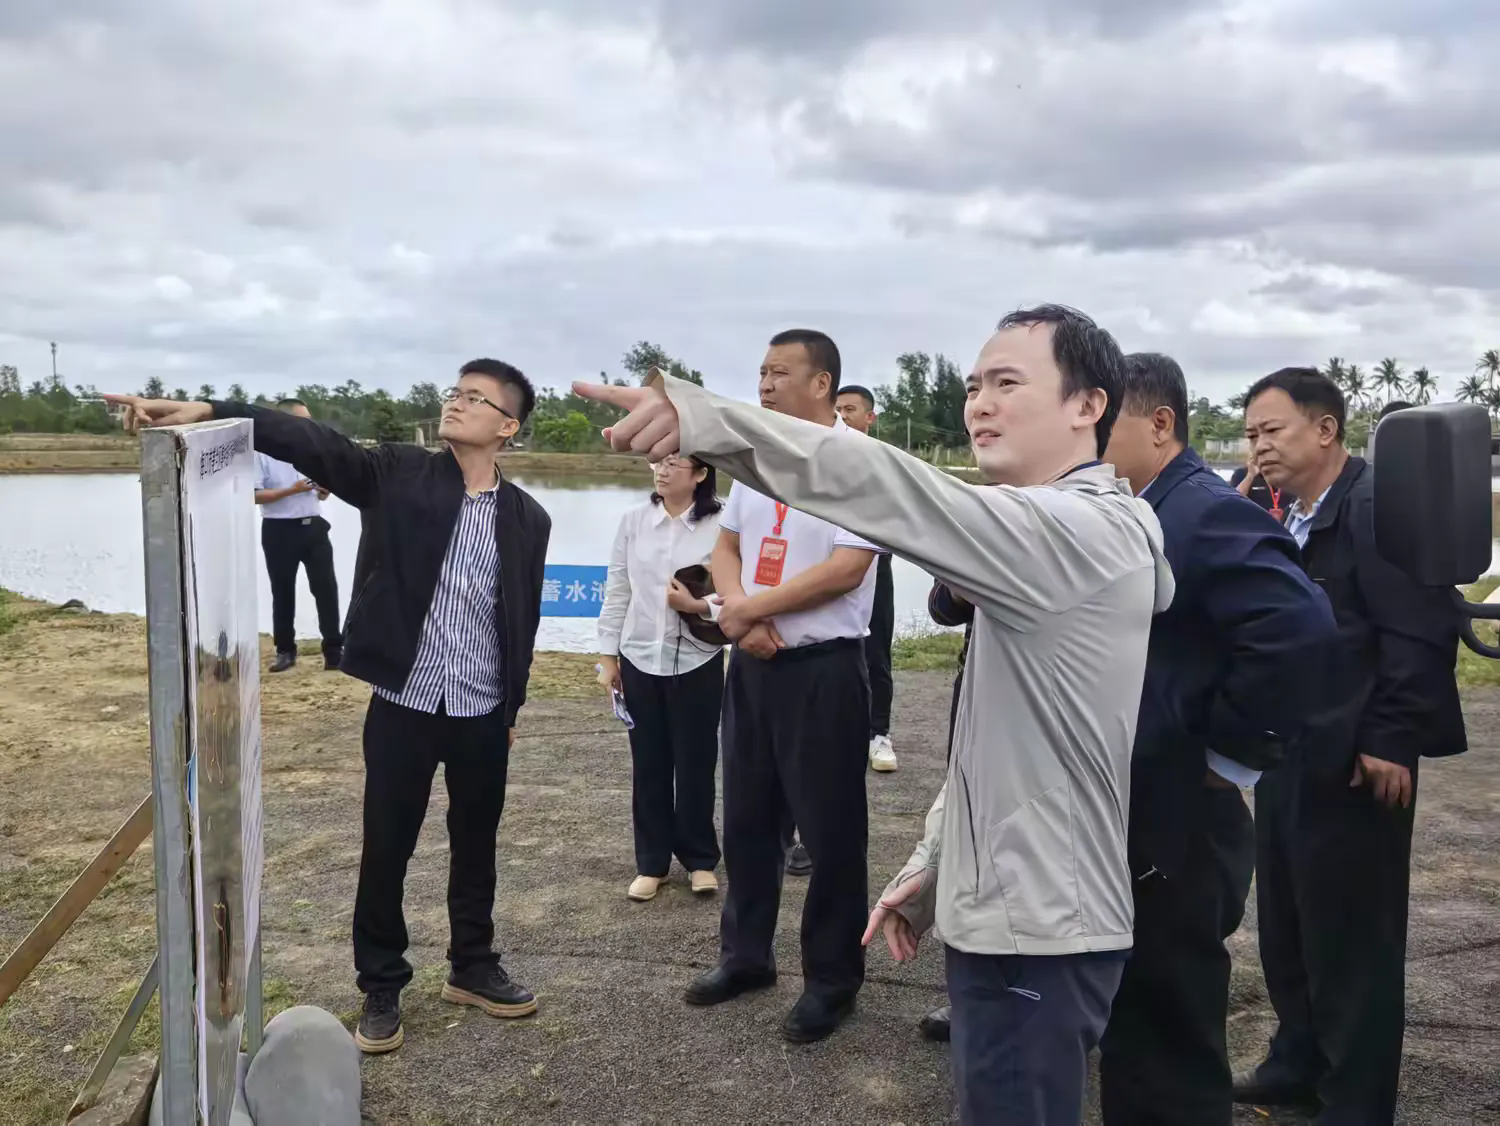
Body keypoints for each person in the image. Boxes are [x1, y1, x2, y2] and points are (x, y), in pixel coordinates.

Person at [574, 304, 1176, 1122]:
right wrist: (938, 860)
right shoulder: (1074, 529)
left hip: (1036, 929)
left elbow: (893, 490)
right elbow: (1011, 744)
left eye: (1007, 382)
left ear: (1088, 405)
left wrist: (708, 421)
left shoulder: (1073, 530)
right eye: (973, 385)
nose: (979, 403)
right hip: (1016, 908)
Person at [106, 358, 552, 1057]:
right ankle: (381, 983)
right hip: (405, 701)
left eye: (476, 398)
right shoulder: (398, 473)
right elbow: (314, 444)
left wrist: (512, 707)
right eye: (455, 391)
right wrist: (213, 410)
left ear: (507, 426)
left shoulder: (528, 517)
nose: (456, 402)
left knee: (477, 844)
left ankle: (472, 965)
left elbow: (519, 616)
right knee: (387, 846)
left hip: (482, 709)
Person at [1098, 353, 1336, 1126]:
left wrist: (1226, 754)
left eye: (1104, 423)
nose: (1087, 441)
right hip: (1141, 798)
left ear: (1160, 424)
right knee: (1138, 1017)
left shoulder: (1200, 510)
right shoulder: (1137, 509)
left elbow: (1297, 631)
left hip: (1183, 813)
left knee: (1172, 1029)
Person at [1235, 368, 1465, 1124]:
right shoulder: (1291, 514)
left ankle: (1354, 1100)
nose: (1259, 446)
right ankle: (1297, 1061)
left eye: (1273, 430)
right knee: (1290, 920)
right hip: (1291, 748)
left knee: (1353, 939)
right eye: (1251, 434)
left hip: (1356, 759)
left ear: (1326, 429)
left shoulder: (1373, 508)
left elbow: (1418, 630)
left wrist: (1392, 738)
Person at [678, 328, 880, 1043]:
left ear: (822, 383)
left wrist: (750, 611)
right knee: (748, 819)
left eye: (779, 372)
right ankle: (746, 957)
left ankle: (832, 979)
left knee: (831, 832)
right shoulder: (760, 459)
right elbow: (727, 545)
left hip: (823, 671)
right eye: (761, 372)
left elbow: (846, 569)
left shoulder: (860, 462)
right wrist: (741, 616)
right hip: (754, 667)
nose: (764, 385)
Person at [596, 454, 726, 903]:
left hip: (697, 659)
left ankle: (700, 860)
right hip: (639, 658)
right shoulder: (634, 521)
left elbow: (739, 590)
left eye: (675, 463)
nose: (662, 470)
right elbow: (618, 588)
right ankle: (651, 863)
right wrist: (608, 657)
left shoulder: (723, 523)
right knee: (649, 764)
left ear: (701, 473)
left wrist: (698, 607)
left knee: (696, 762)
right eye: (658, 462)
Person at [914, 578, 975, 1044]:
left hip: (1062, 685)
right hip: (978, 686)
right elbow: (942, 607)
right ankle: (969, 992)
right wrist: (957, 591)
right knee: (966, 832)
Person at [834, 384, 898, 774]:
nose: (842, 416)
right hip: (826, 564)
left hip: (873, 563)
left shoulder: (883, 461)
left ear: (869, 417)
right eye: (837, 409)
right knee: (832, 648)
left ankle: (879, 734)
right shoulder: (821, 458)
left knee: (876, 651)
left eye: (850, 409)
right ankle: (841, 731)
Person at [254, 398, 343, 674]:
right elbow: (255, 495)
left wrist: (324, 490)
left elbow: (323, 493)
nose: (309, 426)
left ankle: (334, 652)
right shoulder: (261, 452)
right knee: (283, 592)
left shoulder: (313, 450)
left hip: (314, 527)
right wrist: (291, 490)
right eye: (303, 421)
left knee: (326, 589)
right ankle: (285, 651)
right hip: (279, 530)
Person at [1228, 451, 1281, 515]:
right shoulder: (1241, 474)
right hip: (1253, 519)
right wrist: (1250, 475)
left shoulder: (1283, 474)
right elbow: (1234, 500)